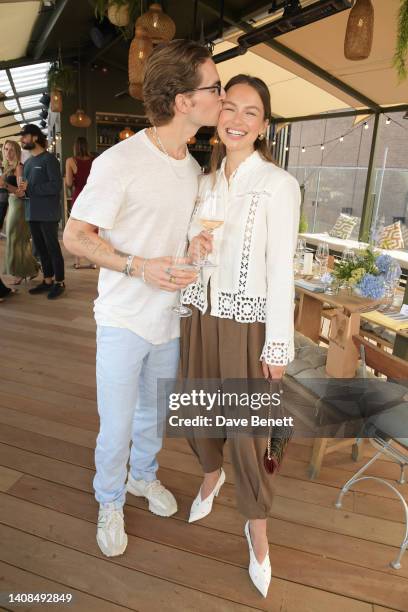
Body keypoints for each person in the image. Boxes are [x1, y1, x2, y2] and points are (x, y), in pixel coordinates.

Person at [63, 39, 225, 558]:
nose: (221, 96)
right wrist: (137, 266)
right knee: (116, 421)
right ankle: (108, 499)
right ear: (183, 100)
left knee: (154, 415)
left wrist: (193, 244)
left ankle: (143, 477)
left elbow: (173, 236)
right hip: (122, 318)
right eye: (215, 87)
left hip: (169, 320)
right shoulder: (122, 160)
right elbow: (75, 235)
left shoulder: (192, 168)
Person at [180, 74, 301, 598]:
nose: (236, 118)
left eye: (251, 112)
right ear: (217, 116)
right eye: (229, 106)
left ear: (264, 126)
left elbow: (282, 272)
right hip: (202, 314)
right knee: (198, 410)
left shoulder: (278, 185)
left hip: (249, 323)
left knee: (250, 437)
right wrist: (194, 249)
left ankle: (257, 530)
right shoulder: (202, 184)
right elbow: (192, 250)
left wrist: (278, 345)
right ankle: (211, 472)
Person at [16, 124, 65, 300]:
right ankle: (47, 280)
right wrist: (22, 193)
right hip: (32, 212)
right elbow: (27, 189)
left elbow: (56, 186)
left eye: (24, 136)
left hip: (48, 214)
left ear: (35, 137)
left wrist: (31, 189)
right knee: (40, 249)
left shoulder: (49, 159)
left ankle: (60, 282)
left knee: (52, 248)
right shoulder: (28, 163)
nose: (22, 139)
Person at [0, 140, 39, 284]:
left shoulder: (19, 168)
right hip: (11, 204)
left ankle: (20, 272)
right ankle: (32, 268)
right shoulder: (7, 167)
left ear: (17, 151)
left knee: (16, 238)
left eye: (11, 150)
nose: (8, 153)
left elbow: (21, 192)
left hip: (19, 205)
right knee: (16, 238)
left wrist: (4, 184)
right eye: (6, 149)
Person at [65, 137, 95, 269]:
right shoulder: (94, 160)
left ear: (75, 147)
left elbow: (69, 183)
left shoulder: (70, 161)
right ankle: (93, 260)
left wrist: (68, 178)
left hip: (79, 197)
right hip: (93, 197)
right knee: (92, 229)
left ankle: (78, 261)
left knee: (77, 228)